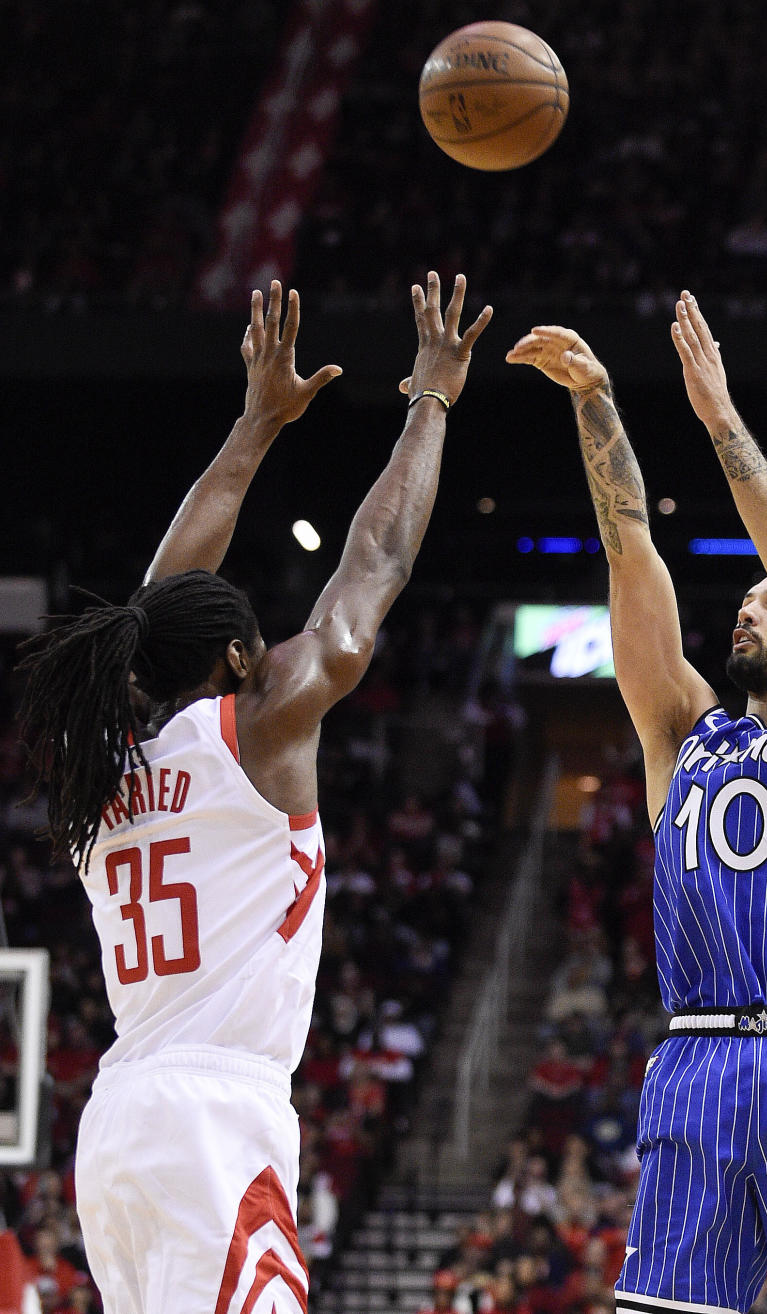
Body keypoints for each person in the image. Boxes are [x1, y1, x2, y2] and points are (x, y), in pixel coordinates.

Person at [18, 271, 491, 1314]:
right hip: (212, 1123)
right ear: (240, 657)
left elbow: (148, 609)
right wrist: (431, 401)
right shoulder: (256, 731)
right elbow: (371, 563)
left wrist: (253, 429)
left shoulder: (104, 765)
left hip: (119, 1127)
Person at [506, 293, 767, 1314]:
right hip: (694, 1056)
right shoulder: (681, 733)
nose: (750, 608)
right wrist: (599, 403)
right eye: (742, 603)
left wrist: (718, 418)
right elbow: (630, 557)